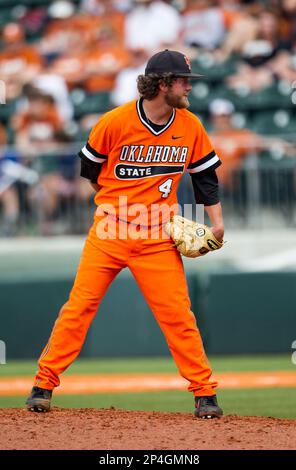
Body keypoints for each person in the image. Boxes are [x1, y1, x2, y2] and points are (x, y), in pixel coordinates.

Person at [26, 49, 224, 419]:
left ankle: (204, 393)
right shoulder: (114, 122)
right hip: (109, 233)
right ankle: (43, 384)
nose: (188, 88)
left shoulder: (190, 125)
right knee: (78, 309)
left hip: (158, 239)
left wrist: (215, 221)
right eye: (183, 81)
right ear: (162, 84)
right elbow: (90, 169)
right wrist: (114, 205)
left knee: (178, 316)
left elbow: (205, 176)